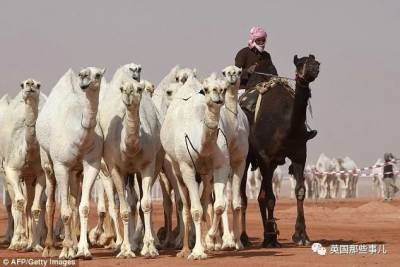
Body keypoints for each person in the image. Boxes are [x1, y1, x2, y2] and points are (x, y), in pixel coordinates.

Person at [235, 26, 317, 140]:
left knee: (292, 98)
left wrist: (277, 79)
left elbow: (273, 72)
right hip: (246, 89)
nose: (261, 42)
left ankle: (302, 130)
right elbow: (234, 73)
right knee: (240, 109)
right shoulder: (243, 53)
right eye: (259, 40)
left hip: (265, 87)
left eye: (263, 40)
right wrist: (248, 72)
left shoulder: (266, 56)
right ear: (253, 40)